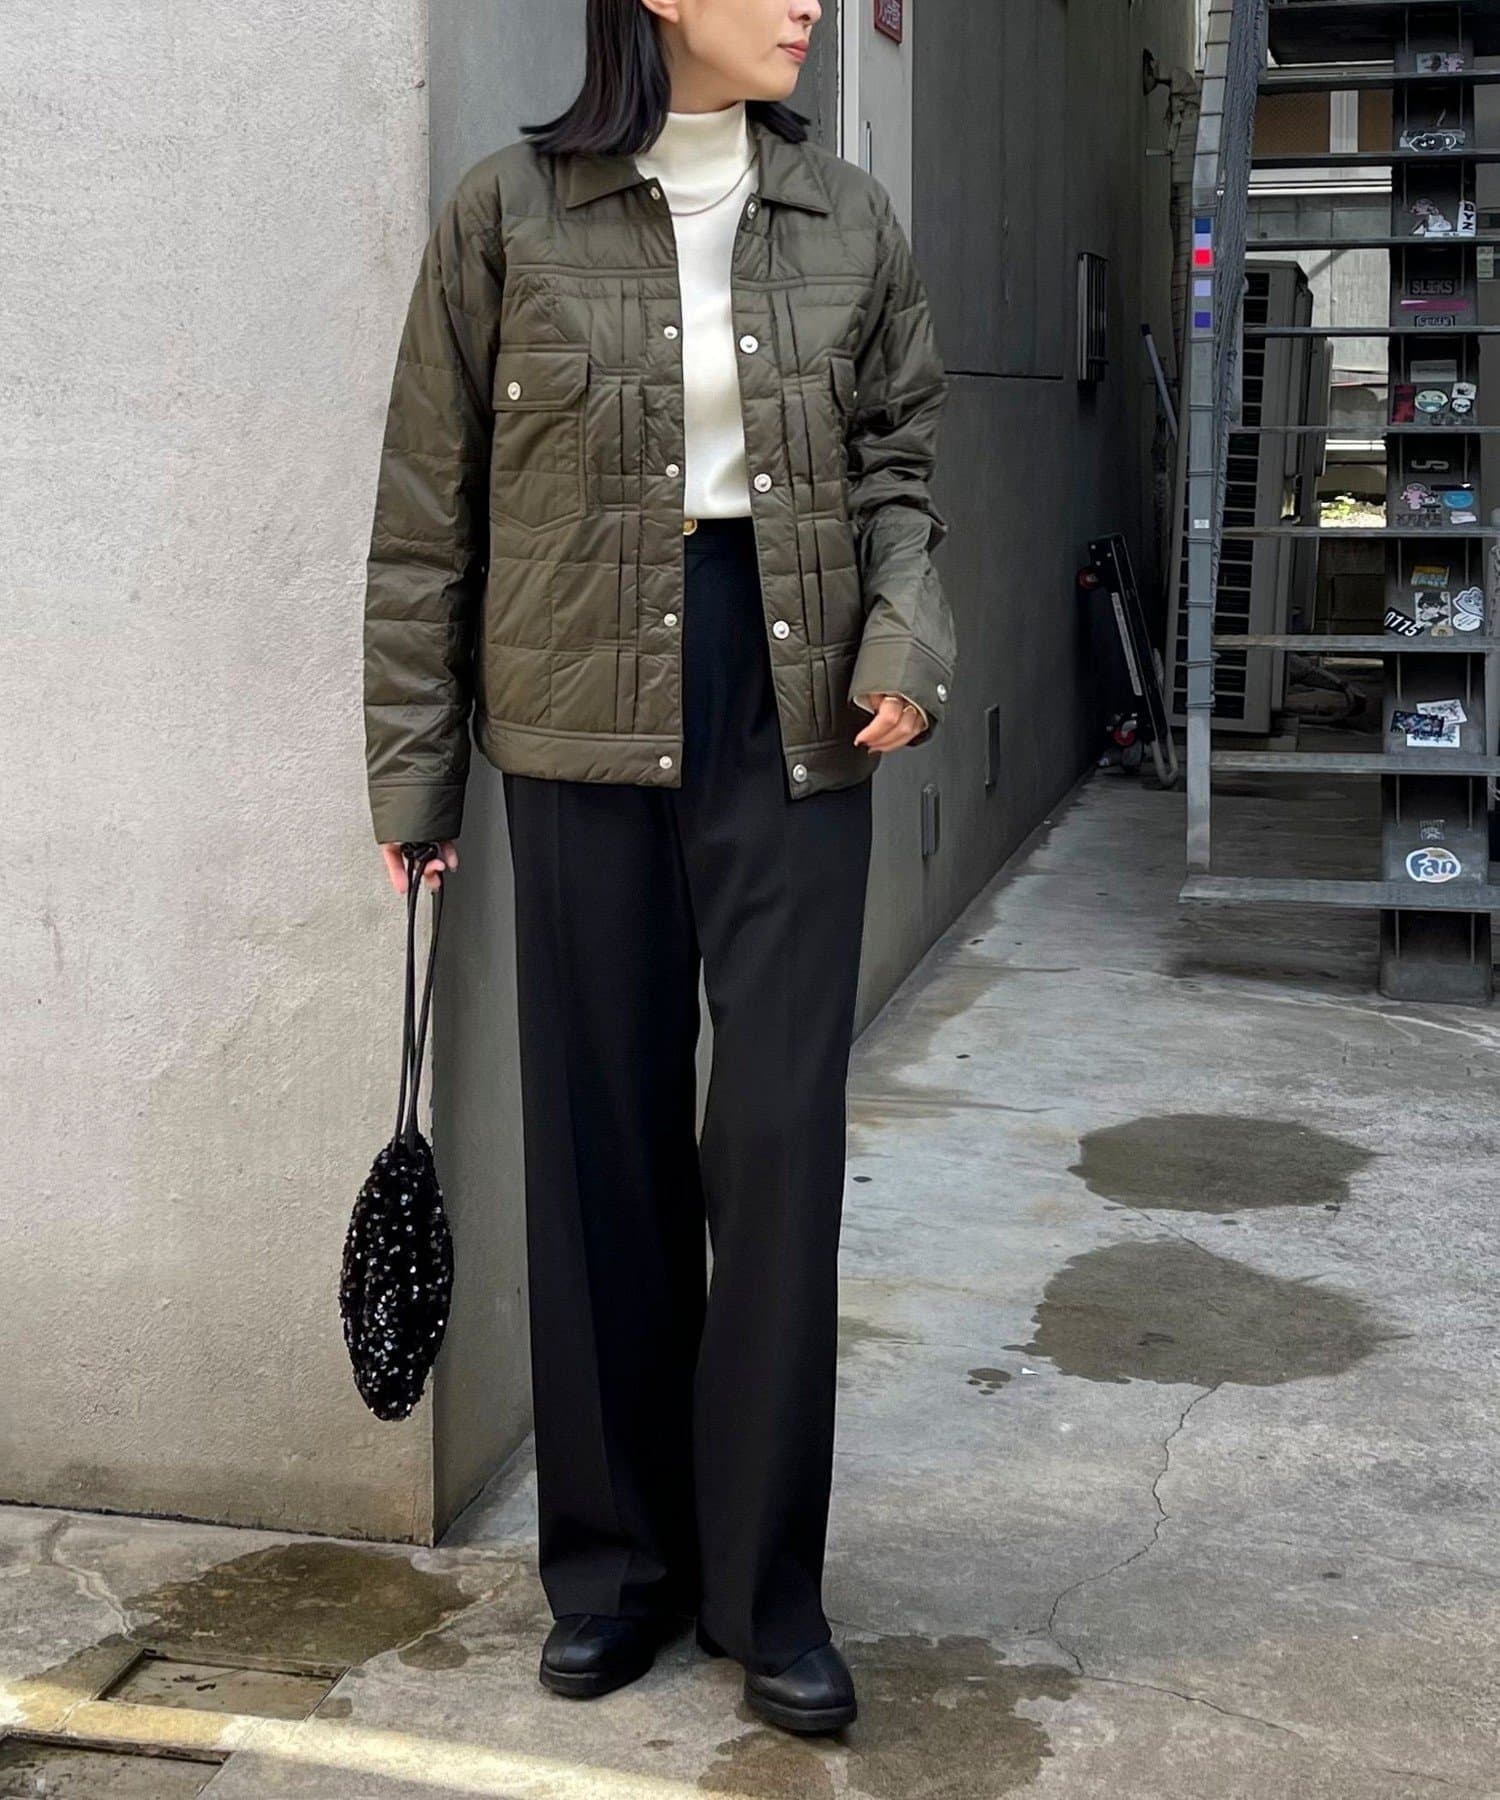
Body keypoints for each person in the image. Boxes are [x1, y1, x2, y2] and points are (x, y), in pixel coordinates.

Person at [362, 0, 955, 1738]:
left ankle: (769, 1594)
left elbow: (904, 466)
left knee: (775, 1145)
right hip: (571, 713)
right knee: (597, 1140)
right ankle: (617, 1570)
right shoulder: (507, 213)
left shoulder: (846, 214)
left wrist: (907, 639)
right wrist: (415, 775)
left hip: (797, 698)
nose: (807, 7)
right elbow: (427, 513)